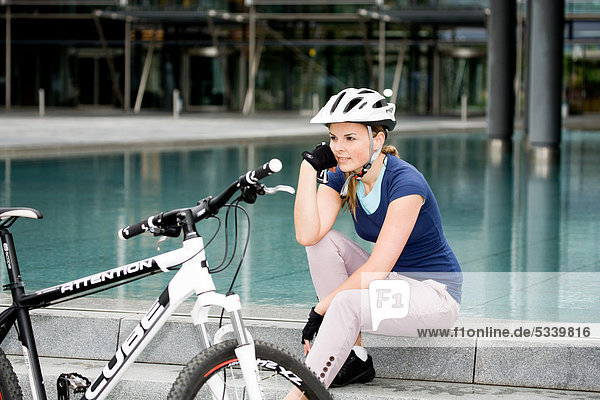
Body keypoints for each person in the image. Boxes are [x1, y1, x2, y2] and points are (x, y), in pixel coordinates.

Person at [293, 88, 462, 390]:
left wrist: (321, 309)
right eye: (333, 138)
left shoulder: (406, 182)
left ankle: (303, 392)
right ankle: (355, 357)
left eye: (350, 138)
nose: (339, 148)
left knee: (345, 303)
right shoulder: (341, 174)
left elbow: (377, 269)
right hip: (393, 282)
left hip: (433, 294)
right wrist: (309, 169)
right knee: (321, 242)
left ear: (378, 139)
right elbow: (308, 234)